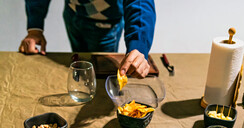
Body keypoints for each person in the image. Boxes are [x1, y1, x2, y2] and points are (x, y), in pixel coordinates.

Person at [19, 0, 156, 78]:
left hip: (105, 24)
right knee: (81, 66)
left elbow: (140, 3)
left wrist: (138, 46)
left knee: (100, 76)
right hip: (73, 15)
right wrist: (35, 28)